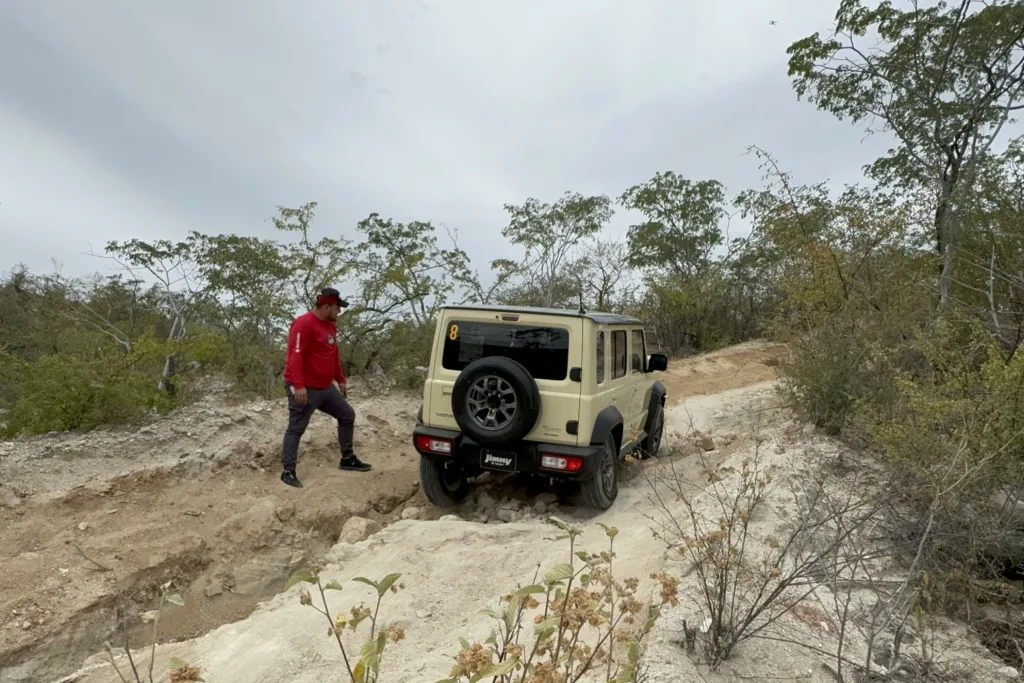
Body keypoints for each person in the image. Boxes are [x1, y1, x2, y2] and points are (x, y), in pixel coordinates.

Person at [280, 287, 371, 488]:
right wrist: (299, 385)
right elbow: (295, 356)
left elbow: (333, 354)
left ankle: (347, 459)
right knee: (296, 427)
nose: (339, 312)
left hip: (325, 387)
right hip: (305, 387)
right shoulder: (303, 324)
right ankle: (288, 471)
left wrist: (341, 378)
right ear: (327, 306)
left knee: (347, 415)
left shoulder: (330, 326)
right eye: (338, 308)